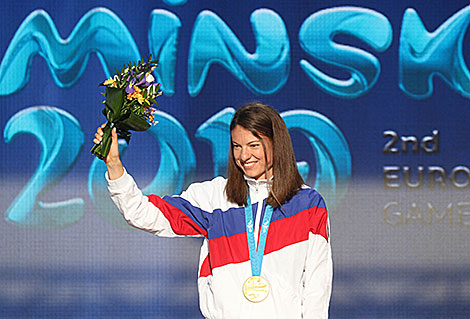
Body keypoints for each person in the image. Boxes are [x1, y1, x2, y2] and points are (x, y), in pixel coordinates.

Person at [93, 102, 332, 319]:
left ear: (276, 144)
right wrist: (114, 164)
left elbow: (316, 285)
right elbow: (143, 213)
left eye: (253, 145)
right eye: (237, 146)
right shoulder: (214, 198)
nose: (244, 155)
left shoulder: (308, 205)